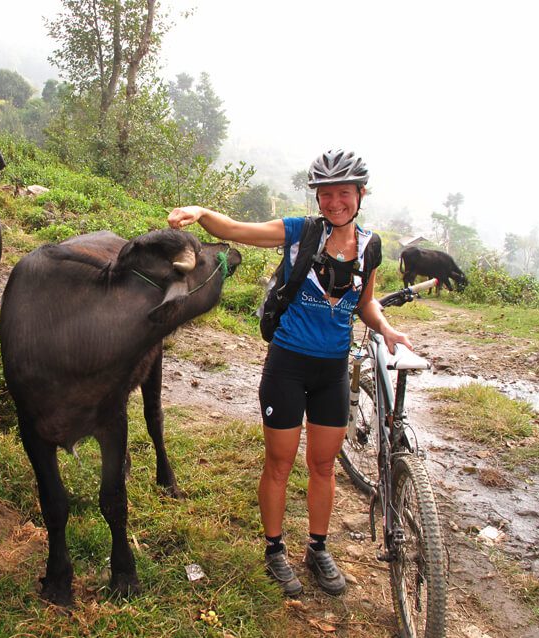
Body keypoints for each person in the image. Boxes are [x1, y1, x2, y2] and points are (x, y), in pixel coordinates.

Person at [167, 149, 411, 597]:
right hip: (288, 364)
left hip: (333, 370)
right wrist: (201, 213)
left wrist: (386, 327)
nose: (335, 202)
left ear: (360, 195)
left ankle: (318, 548)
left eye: (344, 193)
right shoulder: (300, 232)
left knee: (323, 465)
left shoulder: (371, 245)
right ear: (317, 198)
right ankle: (275, 550)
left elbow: (365, 302)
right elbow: (239, 230)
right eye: (326, 194)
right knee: (279, 462)